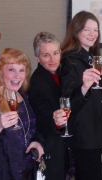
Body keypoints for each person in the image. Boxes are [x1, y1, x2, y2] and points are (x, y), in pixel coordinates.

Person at [0, 48, 44, 180]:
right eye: (11, 70)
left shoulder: (23, 97)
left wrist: (37, 142)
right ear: (1, 72)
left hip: (24, 171)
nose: (17, 76)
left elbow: (32, 128)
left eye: (21, 70)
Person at [59, 11, 102, 180]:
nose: (92, 34)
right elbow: (67, 102)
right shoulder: (70, 60)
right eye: (87, 29)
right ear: (76, 30)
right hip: (83, 137)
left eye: (95, 30)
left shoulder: (90, 58)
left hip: (93, 136)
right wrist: (84, 86)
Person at [27, 32, 70, 180]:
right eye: (46, 55)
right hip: (48, 147)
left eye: (56, 53)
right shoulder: (38, 83)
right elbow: (41, 115)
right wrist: (54, 120)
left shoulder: (62, 74)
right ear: (37, 58)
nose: (53, 59)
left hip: (60, 146)